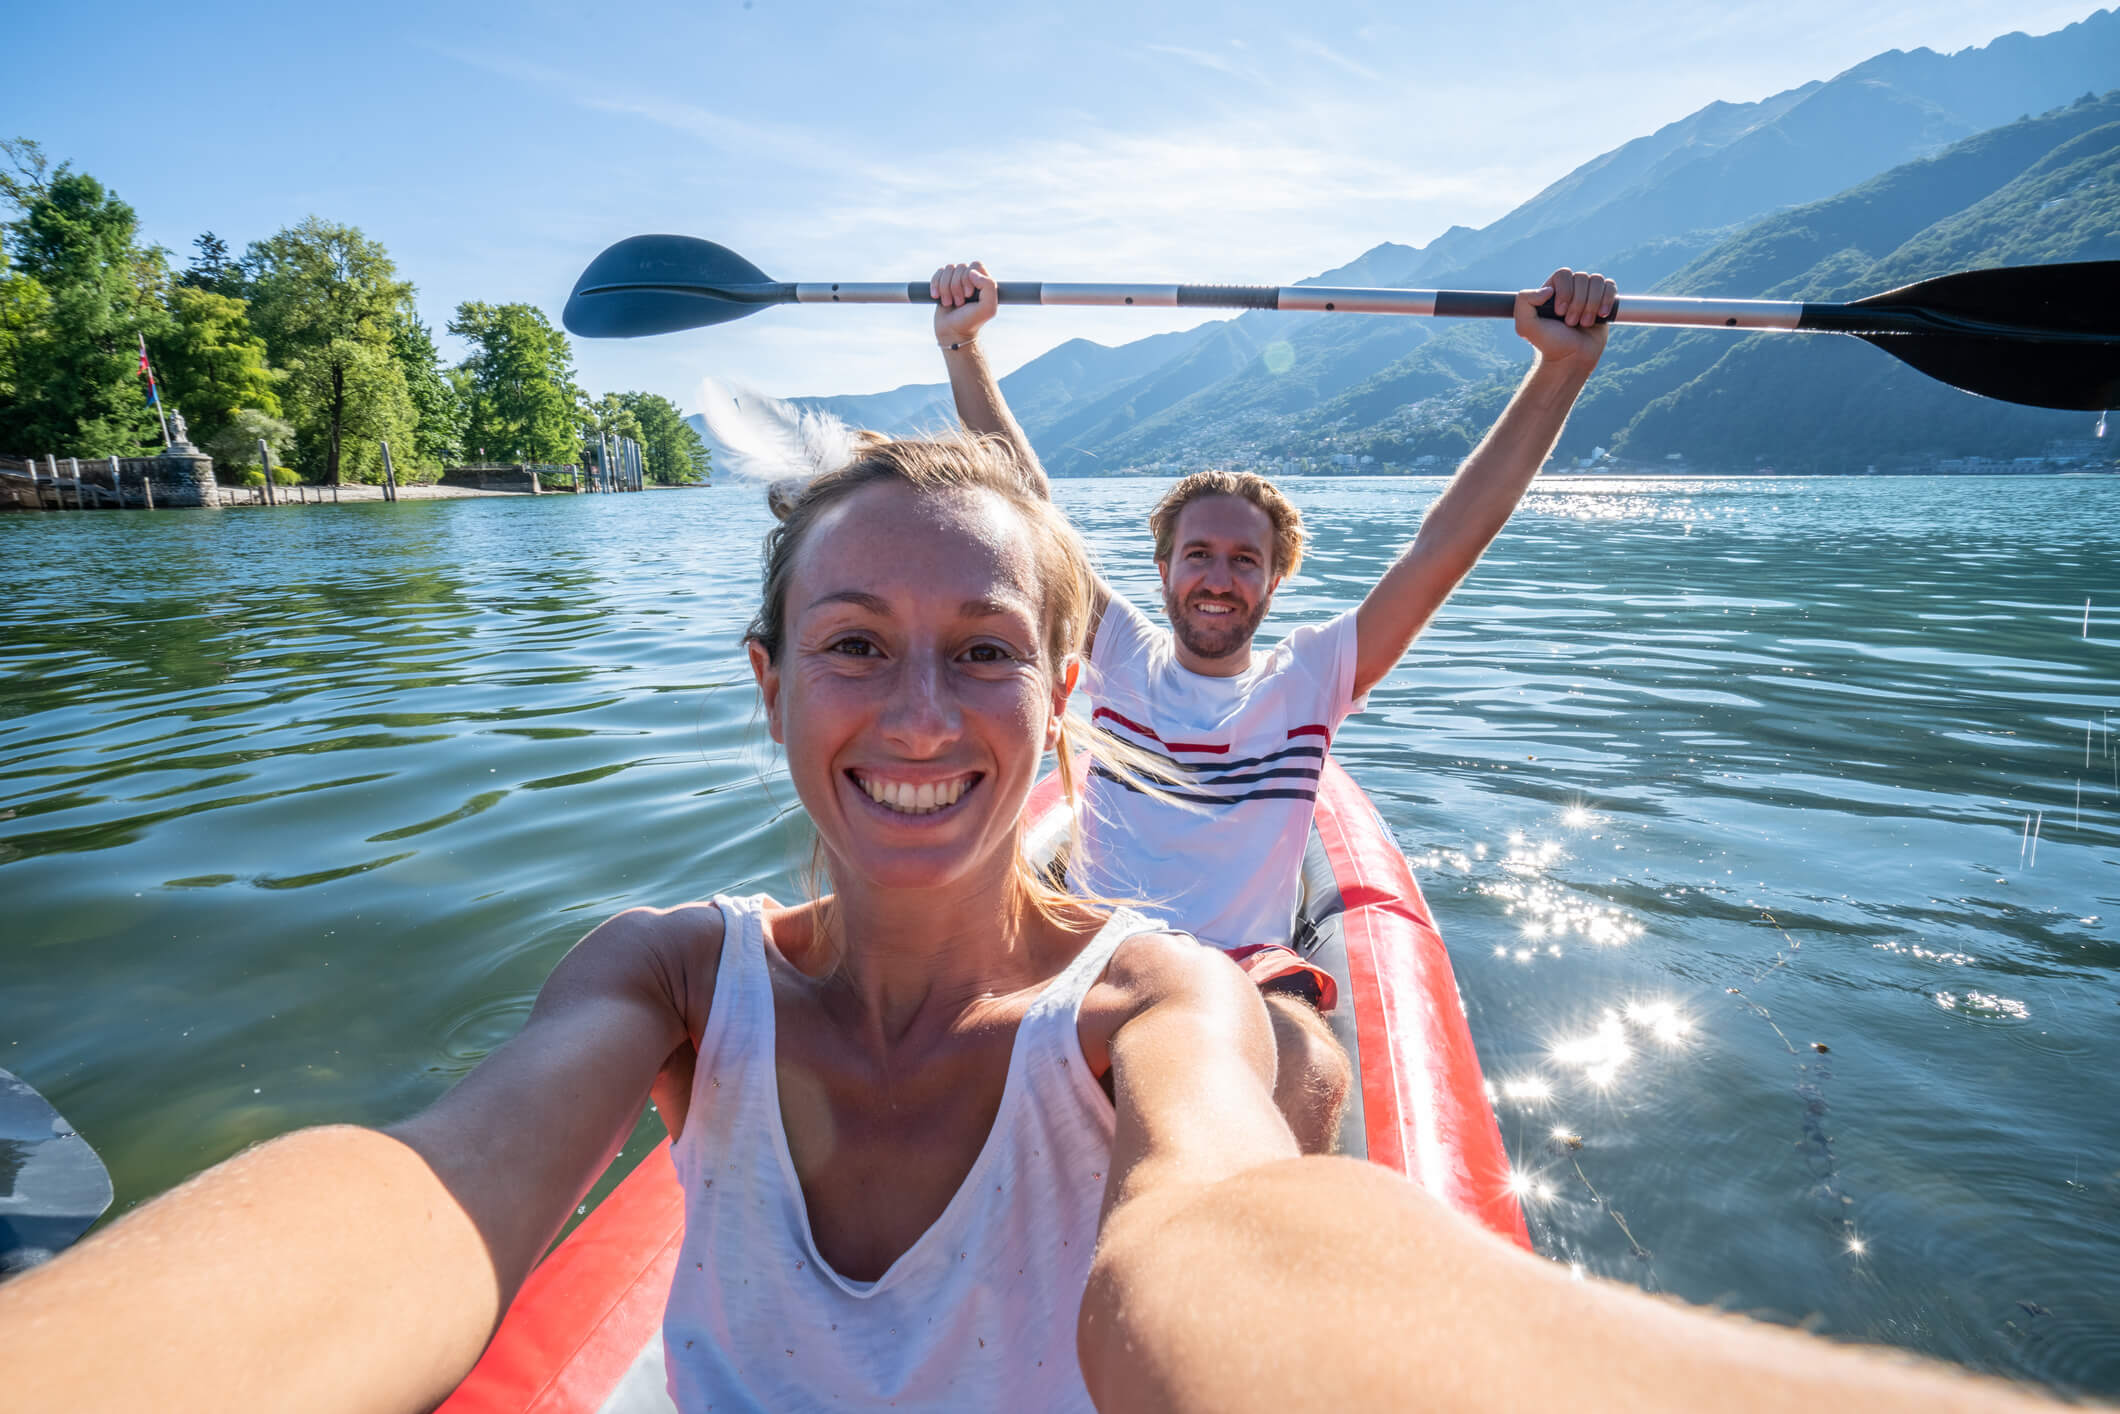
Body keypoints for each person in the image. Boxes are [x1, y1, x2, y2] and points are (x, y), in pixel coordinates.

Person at [0, 432, 2064, 1414]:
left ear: (1062, 702)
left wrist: (1268, 1034)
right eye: (853, 645)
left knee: (1273, 1038)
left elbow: (1234, 1252)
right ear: (769, 684)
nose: (915, 711)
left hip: (1220, 969)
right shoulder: (653, 969)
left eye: (983, 650)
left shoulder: (1144, 1000)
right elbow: (430, 1196)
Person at [930, 258, 1618, 1150]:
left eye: (1244, 561)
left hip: (1244, 975)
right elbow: (1028, 503)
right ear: (1165, 568)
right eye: (1200, 555)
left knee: (1311, 1062)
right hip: (1096, 953)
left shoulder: (1312, 679)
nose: (1219, 579)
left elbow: (1446, 542)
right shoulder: (1118, 653)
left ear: (1275, 578)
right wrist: (962, 344)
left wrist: (1559, 371)